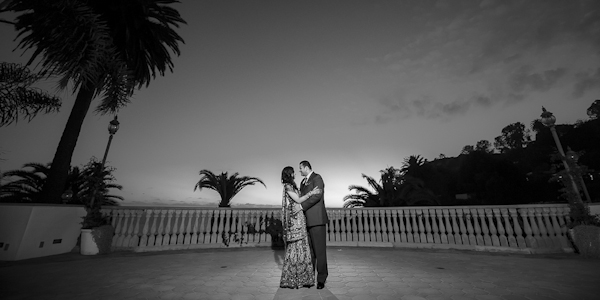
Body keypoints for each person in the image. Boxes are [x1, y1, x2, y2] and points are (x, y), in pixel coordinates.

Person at [279, 166, 321, 289]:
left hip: (300, 217)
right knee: (295, 246)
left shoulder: (293, 186)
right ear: (289, 174)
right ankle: (292, 278)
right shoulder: (287, 186)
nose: (295, 174)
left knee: (302, 245)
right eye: (293, 172)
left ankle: (303, 278)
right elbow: (297, 199)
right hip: (295, 219)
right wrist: (311, 193)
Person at [298, 160, 329, 289]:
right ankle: (309, 278)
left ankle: (321, 279)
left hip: (317, 220)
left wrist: (301, 206)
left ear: (306, 167)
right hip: (306, 221)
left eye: (300, 168)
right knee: (309, 252)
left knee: (319, 251)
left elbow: (317, 196)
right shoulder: (302, 182)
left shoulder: (317, 178)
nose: (299, 170)